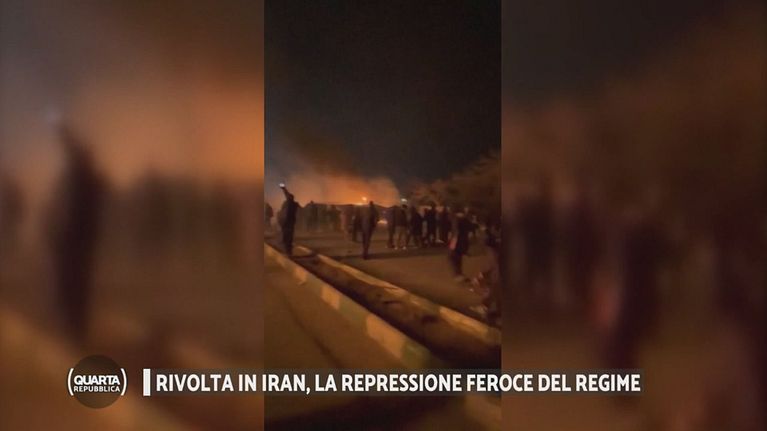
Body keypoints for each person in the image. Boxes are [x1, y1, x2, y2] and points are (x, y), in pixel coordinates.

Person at [46, 124, 105, 343]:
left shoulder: (81, 180)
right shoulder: (91, 180)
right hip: (82, 241)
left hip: (73, 241)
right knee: (78, 285)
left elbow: (71, 212)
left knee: (70, 283)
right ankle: (76, 327)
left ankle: (73, 328)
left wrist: (62, 131)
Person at [448, 207, 472, 282]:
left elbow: (456, 231)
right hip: (461, 240)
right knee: (457, 257)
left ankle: (458, 274)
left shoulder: (457, 219)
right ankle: (459, 274)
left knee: (453, 257)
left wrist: (453, 243)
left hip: (458, 240)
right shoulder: (463, 219)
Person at [278, 185, 300, 255]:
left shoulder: (288, 203)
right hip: (290, 222)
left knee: (286, 236)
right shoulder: (295, 204)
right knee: (289, 237)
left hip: (286, 222)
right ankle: (289, 251)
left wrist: (283, 188)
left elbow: (286, 194)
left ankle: (287, 250)